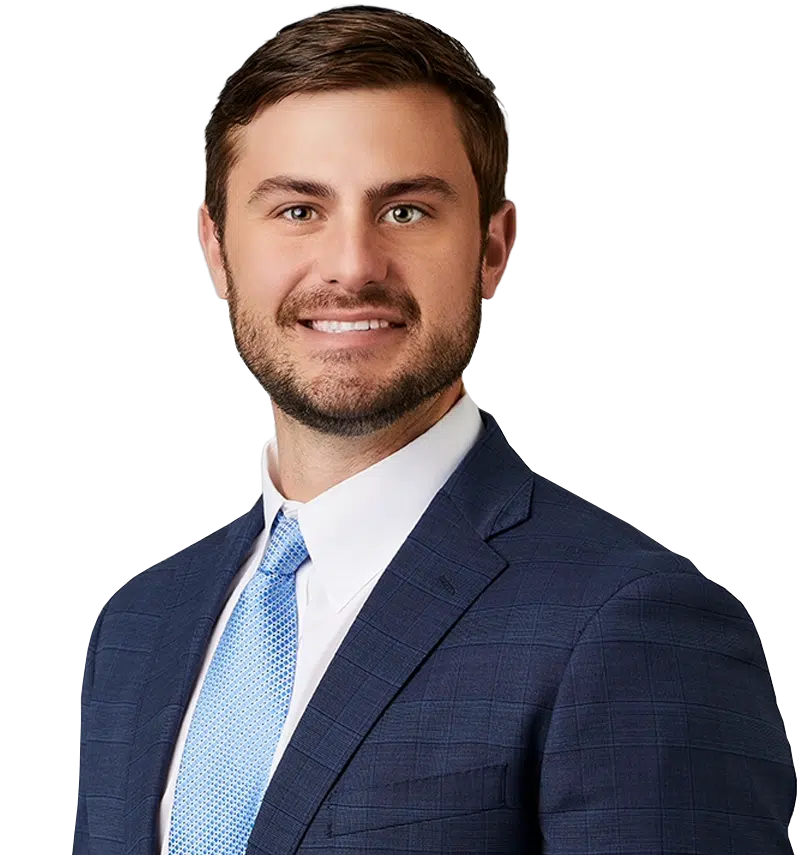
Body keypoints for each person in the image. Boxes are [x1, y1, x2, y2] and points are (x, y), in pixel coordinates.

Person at [73, 4, 796, 854]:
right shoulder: (139, 625)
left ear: (494, 249)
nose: (351, 265)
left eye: (407, 211)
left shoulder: (635, 626)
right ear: (218, 250)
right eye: (298, 210)